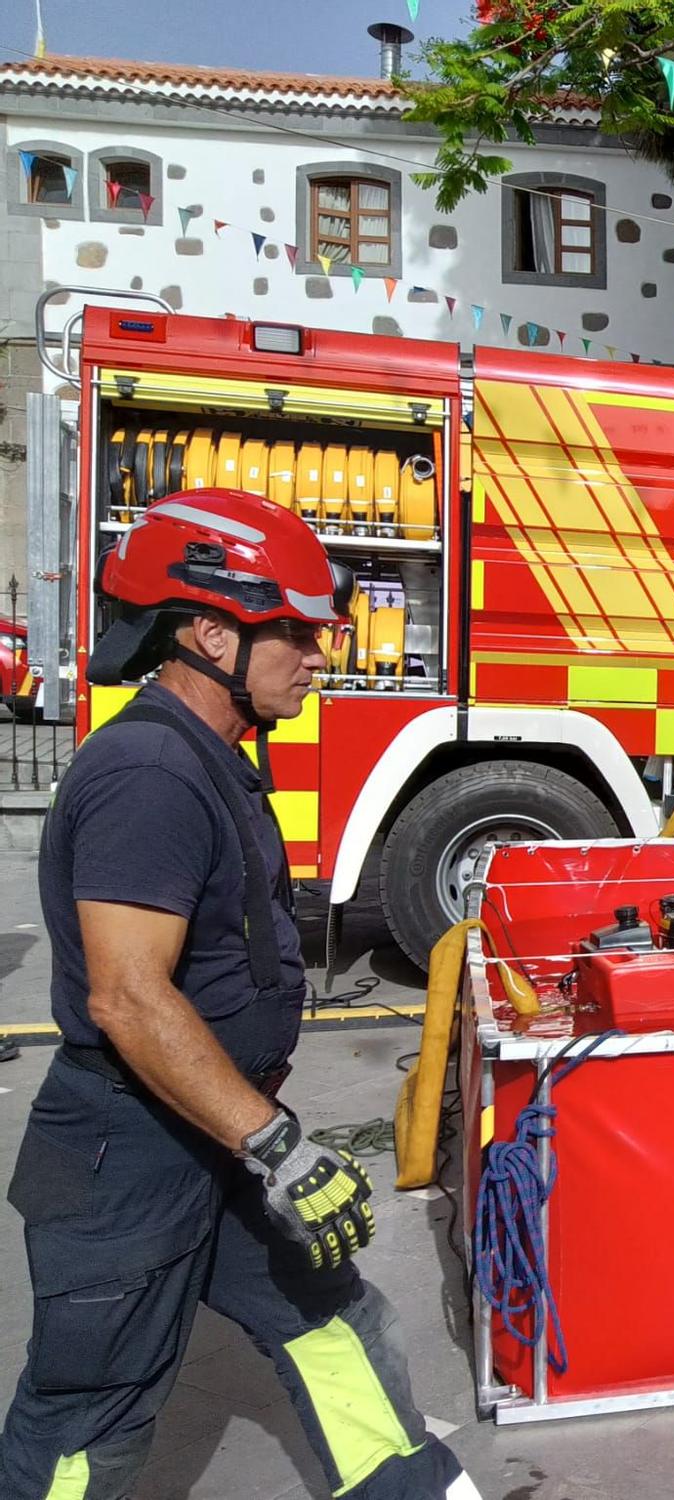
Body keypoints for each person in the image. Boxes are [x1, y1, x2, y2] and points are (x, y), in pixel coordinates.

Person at [0, 492, 478, 1499]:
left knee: (327, 1317)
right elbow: (128, 1000)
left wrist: (259, 1139)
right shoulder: (149, 775)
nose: (316, 654)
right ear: (211, 632)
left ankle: (411, 1486)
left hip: (219, 1123)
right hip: (132, 1148)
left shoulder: (214, 757)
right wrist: (277, 1146)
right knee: (91, 1415)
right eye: (295, 633)